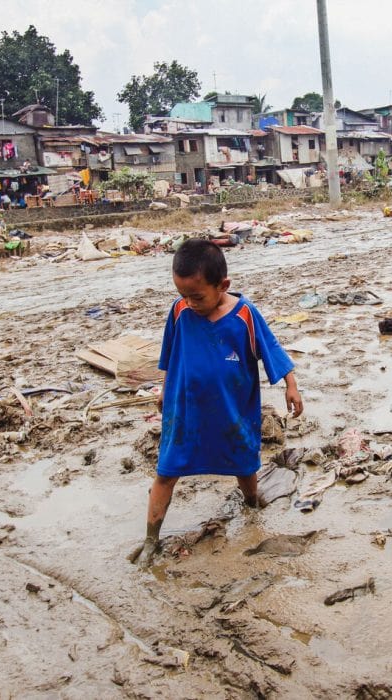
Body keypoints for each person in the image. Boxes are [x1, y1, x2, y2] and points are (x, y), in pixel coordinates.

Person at [134, 238, 303, 568]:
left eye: (197, 296)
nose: (190, 302)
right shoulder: (180, 311)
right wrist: (164, 393)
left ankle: (253, 505)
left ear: (223, 285)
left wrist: (291, 386)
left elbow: (272, 350)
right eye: (183, 295)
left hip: (232, 409)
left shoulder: (245, 315)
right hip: (185, 412)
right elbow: (169, 357)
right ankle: (150, 541)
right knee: (166, 472)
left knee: (244, 463)